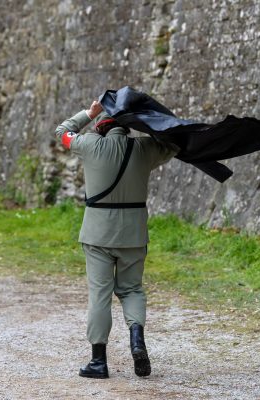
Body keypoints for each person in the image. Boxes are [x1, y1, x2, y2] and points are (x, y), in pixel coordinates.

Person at [55, 100, 179, 378]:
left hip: (97, 234)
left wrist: (90, 112)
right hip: (134, 234)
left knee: (100, 294)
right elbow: (174, 142)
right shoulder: (145, 148)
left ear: (101, 126)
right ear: (129, 126)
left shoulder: (88, 144)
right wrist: (150, 122)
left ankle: (98, 362)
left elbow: (62, 131)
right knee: (132, 290)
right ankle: (137, 338)